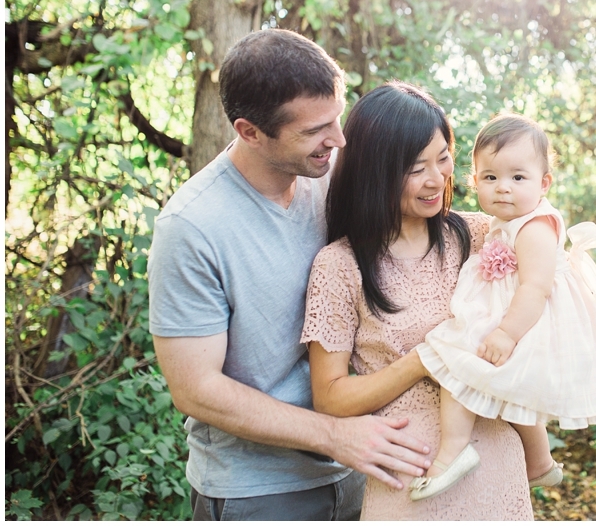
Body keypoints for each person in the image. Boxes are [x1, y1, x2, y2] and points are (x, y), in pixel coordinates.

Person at [148, 30, 433, 521]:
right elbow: (194, 388)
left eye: (337, 118)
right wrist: (333, 435)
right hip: (259, 490)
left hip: (363, 464)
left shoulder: (332, 170)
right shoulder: (192, 227)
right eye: (314, 130)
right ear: (250, 131)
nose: (339, 140)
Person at [301, 82, 534, 520]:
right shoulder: (339, 266)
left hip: (499, 466)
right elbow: (329, 397)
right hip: (409, 479)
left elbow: (546, 281)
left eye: (443, 158)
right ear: (376, 172)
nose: (436, 180)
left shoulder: (482, 236)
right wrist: (422, 361)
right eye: (414, 168)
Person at [410, 113, 596, 501]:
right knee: (514, 390)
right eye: (491, 178)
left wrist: (506, 332)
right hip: (517, 312)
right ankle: (541, 463)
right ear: (474, 181)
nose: (503, 189)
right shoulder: (505, 221)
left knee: (460, 363)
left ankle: (454, 450)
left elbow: (535, 288)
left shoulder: (534, 227)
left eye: (518, 177)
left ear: (543, 183)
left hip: (531, 319)